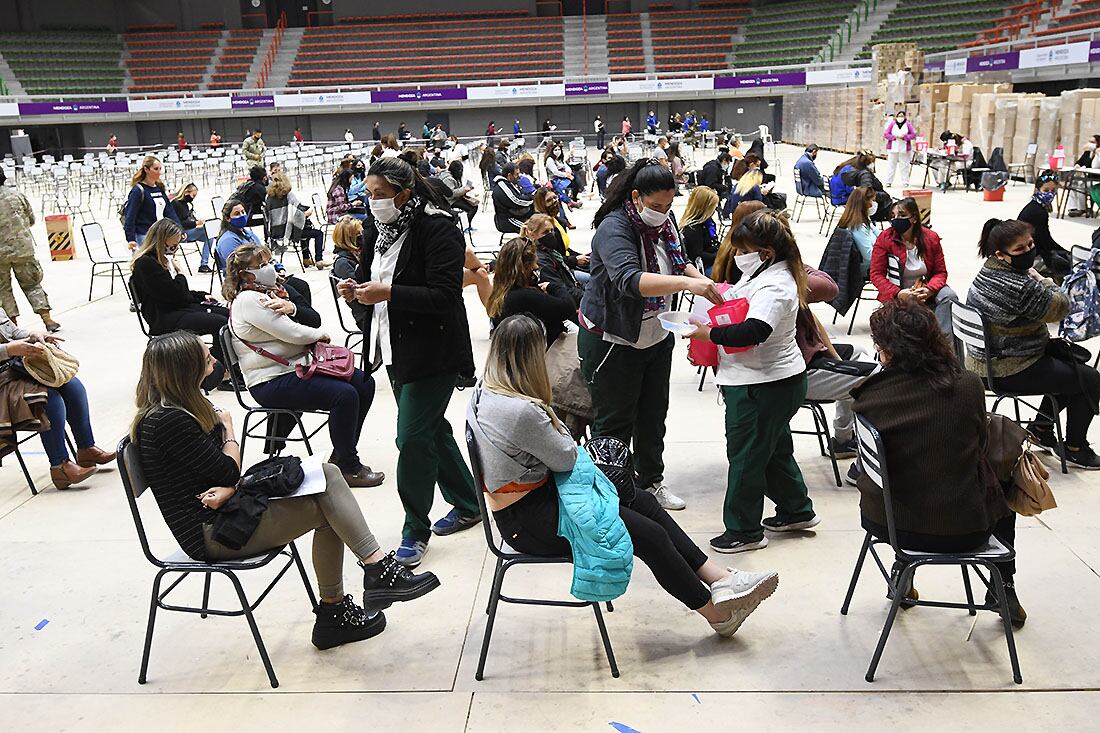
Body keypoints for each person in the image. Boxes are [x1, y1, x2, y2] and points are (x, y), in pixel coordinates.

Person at [469, 314, 780, 636]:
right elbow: (564, 458)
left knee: (641, 499)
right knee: (648, 535)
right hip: (529, 521)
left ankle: (720, 578)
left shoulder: (489, 391)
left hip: (529, 505)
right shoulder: (521, 411)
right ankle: (716, 614)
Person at [132, 331, 439, 648]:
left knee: (328, 476)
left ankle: (357, 590)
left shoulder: (180, 407)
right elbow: (226, 469)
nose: (213, 355)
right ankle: (356, 591)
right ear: (186, 369)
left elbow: (218, 476)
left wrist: (230, 486)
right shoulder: (169, 421)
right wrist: (229, 431)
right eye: (205, 355)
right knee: (330, 500)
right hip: (213, 534)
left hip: (227, 511)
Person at [337, 157, 482, 568]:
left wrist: (388, 293)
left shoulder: (439, 227)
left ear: (404, 193)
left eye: (379, 195)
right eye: (368, 193)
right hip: (392, 348)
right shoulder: (377, 229)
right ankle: (469, 503)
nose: (371, 201)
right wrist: (356, 289)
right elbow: (369, 275)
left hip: (433, 352)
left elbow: (444, 296)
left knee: (412, 439)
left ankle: (414, 529)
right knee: (431, 430)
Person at [852, 298, 1025, 625]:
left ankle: (903, 571)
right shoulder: (968, 386)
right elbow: (981, 448)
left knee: (914, 474)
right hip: (961, 532)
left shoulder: (869, 394)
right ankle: (1003, 585)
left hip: (885, 523)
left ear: (887, 349)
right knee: (1001, 479)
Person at [578, 159, 722, 511]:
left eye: (670, 205)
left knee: (653, 415)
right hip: (615, 339)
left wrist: (699, 278)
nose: (664, 212)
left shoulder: (665, 223)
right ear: (637, 196)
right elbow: (630, 281)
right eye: (657, 206)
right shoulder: (614, 229)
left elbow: (678, 259)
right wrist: (689, 283)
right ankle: (612, 498)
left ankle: (650, 482)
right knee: (614, 424)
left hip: (657, 334)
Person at [685, 209, 818, 552]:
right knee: (771, 451)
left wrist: (707, 333)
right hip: (764, 380)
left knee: (746, 456)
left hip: (763, 383)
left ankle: (744, 531)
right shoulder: (763, 272)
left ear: (767, 252)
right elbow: (742, 301)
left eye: (743, 251)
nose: (738, 257)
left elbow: (756, 329)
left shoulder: (777, 284)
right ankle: (796, 510)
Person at [223, 244, 384, 486]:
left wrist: (299, 314)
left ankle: (342, 454)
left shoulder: (271, 292)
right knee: (345, 395)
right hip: (270, 380)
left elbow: (306, 317)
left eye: (269, 261)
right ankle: (349, 467)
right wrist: (319, 335)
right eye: (263, 265)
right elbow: (292, 333)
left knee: (364, 383)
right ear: (246, 274)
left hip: (294, 367)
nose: (270, 268)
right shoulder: (249, 300)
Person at [967, 218, 1100, 469]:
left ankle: (1041, 427)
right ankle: (1075, 447)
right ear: (1001, 254)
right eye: (1020, 249)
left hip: (987, 360)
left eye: (1030, 245)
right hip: (1008, 368)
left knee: (1069, 364)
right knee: (1090, 380)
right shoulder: (1020, 286)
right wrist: (1043, 279)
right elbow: (1061, 306)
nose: (1028, 252)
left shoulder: (988, 270)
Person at [0, 307, 115, 489]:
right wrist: (9, 349)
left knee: (73, 386)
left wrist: (35, 335)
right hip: (3, 383)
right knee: (48, 398)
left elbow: (13, 332)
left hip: (17, 369)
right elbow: (10, 345)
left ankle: (86, 448)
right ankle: (59, 465)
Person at [129, 218, 230, 387]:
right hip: (163, 317)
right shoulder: (146, 263)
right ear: (162, 239)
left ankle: (223, 366)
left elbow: (177, 293)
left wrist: (200, 296)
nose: (176, 246)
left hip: (175, 308)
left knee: (225, 313)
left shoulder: (160, 259)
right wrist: (180, 273)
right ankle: (217, 374)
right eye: (174, 243)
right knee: (219, 323)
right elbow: (174, 294)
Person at [870, 197, 956, 335]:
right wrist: (898, 293)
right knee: (910, 313)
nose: (896, 219)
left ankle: (942, 341)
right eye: (893, 216)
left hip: (925, 287)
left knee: (949, 296)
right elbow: (876, 274)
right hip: (899, 290)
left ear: (914, 218)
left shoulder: (931, 238)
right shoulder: (884, 238)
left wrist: (929, 290)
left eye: (902, 215)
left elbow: (940, 272)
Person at [487, 235, 576, 345]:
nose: (536, 267)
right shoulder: (526, 296)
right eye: (535, 263)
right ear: (526, 267)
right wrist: (553, 287)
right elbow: (568, 307)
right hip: (543, 354)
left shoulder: (499, 293)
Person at [0, 170, 59, 332]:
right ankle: (48, 320)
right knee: (32, 284)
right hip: (22, 249)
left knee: (2, 290)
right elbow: (31, 219)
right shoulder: (16, 195)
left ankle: (12, 326)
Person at [265, 171, 328, 269]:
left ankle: (306, 258)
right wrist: (307, 213)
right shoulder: (289, 195)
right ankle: (319, 260)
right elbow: (297, 216)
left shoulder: (269, 197)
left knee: (302, 228)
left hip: (275, 232)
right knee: (316, 232)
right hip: (287, 232)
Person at [1016, 171, 1071, 280]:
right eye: (1046, 190)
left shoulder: (1035, 206)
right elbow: (1046, 242)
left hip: (1030, 249)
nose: (1050, 194)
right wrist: (1068, 253)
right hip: (1027, 254)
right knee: (1067, 266)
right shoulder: (1038, 212)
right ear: (1037, 190)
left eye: (1053, 191)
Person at [525, 213, 583, 308]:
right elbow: (560, 289)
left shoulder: (548, 250)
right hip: (568, 303)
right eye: (545, 232)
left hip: (571, 287)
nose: (551, 235)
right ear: (533, 234)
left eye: (552, 230)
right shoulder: (540, 259)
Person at [124, 155, 181, 251]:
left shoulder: (159, 188)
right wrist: (131, 238)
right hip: (144, 235)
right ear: (146, 169)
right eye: (156, 169)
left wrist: (179, 229)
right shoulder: (138, 190)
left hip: (160, 234)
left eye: (160, 169)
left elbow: (169, 211)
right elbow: (130, 216)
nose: (159, 172)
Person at [171, 182, 214, 274]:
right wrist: (196, 223)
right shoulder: (176, 204)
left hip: (188, 231)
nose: (193, 198)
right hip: (181, 233)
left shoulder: (186, 204)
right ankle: (204, 264)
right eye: (193, 195)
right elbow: (180, 223)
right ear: (186, 192)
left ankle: (204, 264)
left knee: (210, 235)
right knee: (208, 231)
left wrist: (196, 222)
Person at [837, 150, 892, 222]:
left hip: (839, 197)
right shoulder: (865, 175)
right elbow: (866, 193)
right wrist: (884, 196)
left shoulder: (848, 168)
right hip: (871, 206)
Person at [836, 186, 877, 277]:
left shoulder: (864, 219)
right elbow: (869, 255)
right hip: (867, 268)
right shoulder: (857, 227)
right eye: (872, 200)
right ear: (864, 204)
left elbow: (880, 234)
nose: (874, 204)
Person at [679, 186, 721, 275]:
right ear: (704, 207)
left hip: (711, 258)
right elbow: (698, 256)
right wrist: (720, 255)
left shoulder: (708, 222)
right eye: (713, 206)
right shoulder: (693, 228)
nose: (715, 209)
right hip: (703, 267)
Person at [492, 162, 534, 235]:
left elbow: (522, 194)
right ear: (509, 175)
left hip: (516, 215)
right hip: (508, 220)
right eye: (516, 174)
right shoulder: (502, 186)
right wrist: (533, 199)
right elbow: (516, 201)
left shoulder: (510, 183)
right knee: (532, 230)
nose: (519, 176)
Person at [437, 160, 478, 231]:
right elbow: (451, 193)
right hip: (449, 200)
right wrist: (464, 189)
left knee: (473, 205)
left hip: (454, 198)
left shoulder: (451, 175)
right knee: (472, 208)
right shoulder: (448, 179)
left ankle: (467, 225)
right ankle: (465, 226)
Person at [883, 109, 916, 187]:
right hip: (893, 147)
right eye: (899, 116)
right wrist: (894, 137)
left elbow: (913, 135)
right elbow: (886, 134)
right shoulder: (892, 124)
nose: (900, 117)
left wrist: (905, 137)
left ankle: (905, 182)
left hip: (904, 148)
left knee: (904, 165)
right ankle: (889, 181)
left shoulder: (908, 124)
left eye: (902, 116)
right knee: (891, 165)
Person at [234, 166, 269, 230]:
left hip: (237, 216)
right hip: (247, 218)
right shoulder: (259, 188)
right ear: (264, 178)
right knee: (269, 218)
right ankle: (269, 238)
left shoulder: (247, 184)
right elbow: (269, 202)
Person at [544, 142, 577, 207]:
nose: (557, 151)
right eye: (555, 150)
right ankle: (570, 201)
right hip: (554, 179)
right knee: (558, 189)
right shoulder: (550, 160)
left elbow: (566, 166)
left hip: (562, 176)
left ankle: (572, 199)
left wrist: (568, 172)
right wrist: (566, 175)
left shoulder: (559, 158)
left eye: (559, 150)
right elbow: (555, 172)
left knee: (576, 177)